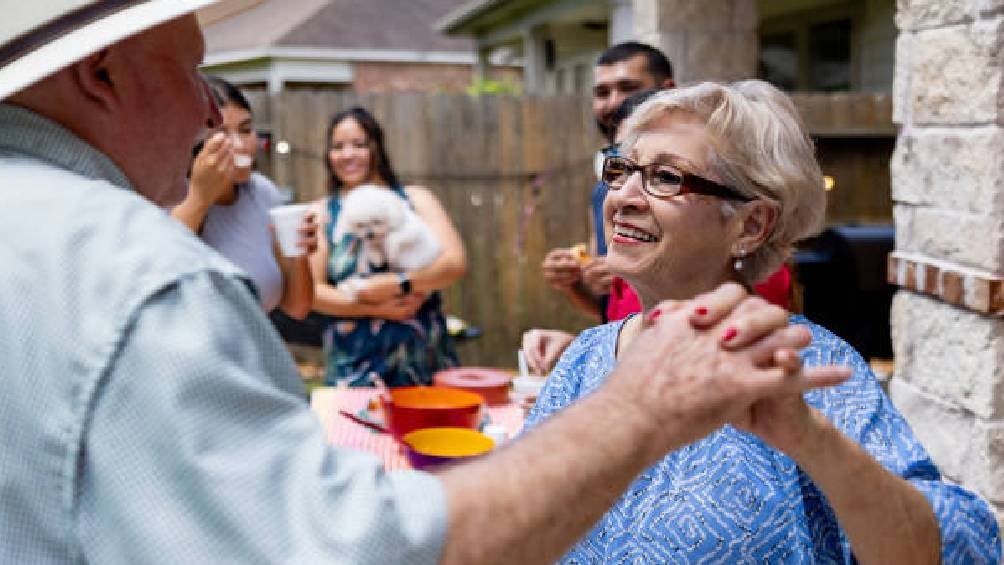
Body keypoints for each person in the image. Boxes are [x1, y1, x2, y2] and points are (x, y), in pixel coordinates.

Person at [0, 4, 856, 563]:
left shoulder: (822, 375)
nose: (205, 112)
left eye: (664, 177)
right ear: (100, 73)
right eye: (193, 73)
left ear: (753, 224)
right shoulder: (135, 269)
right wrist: (637, 400)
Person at [524, 81, 1002, 563]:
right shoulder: (585, 358)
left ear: (751, 226)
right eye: (621, 169)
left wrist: (811, 439)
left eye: (665, 177)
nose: (623, 195)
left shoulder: (807, 368)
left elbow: (964, 548)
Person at [309, 107, 463, 386]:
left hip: (422, 355)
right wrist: (377, 309)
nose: (347, 155)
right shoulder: (322, 214)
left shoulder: (416, 200)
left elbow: (454, 263)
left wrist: (399, 283)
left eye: (359, 144)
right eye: (337, 147)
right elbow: (313, 292)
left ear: (376, 148)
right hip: (354, 363)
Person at [541, 42, 674, 322]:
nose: (614, 102)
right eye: (602, 92)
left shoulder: (690, 189)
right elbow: (610, 308)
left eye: (628, 88)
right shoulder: (603, 190)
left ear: (667, 90)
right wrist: (575, 282)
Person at [171, 75, 316, 318]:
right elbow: (157, 270)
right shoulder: (166, 196)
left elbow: (297, 307)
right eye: (222, 134)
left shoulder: (264, 193)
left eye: (246, 130)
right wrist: (199, 198)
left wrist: (298, 252)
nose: (241, 145)